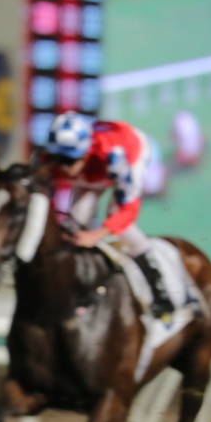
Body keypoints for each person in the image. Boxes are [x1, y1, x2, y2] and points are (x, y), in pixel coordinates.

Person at [43, 110, 173, 319]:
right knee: (76, 221)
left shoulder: (116, 159)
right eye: (55, 159)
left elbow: (127, 211)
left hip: (132, 150)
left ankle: (159, 289)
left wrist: (94, 236)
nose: (61, 167)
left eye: (67, 161)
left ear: (84, 155)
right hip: (97, 161)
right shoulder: (55, 159)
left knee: (115, 216)